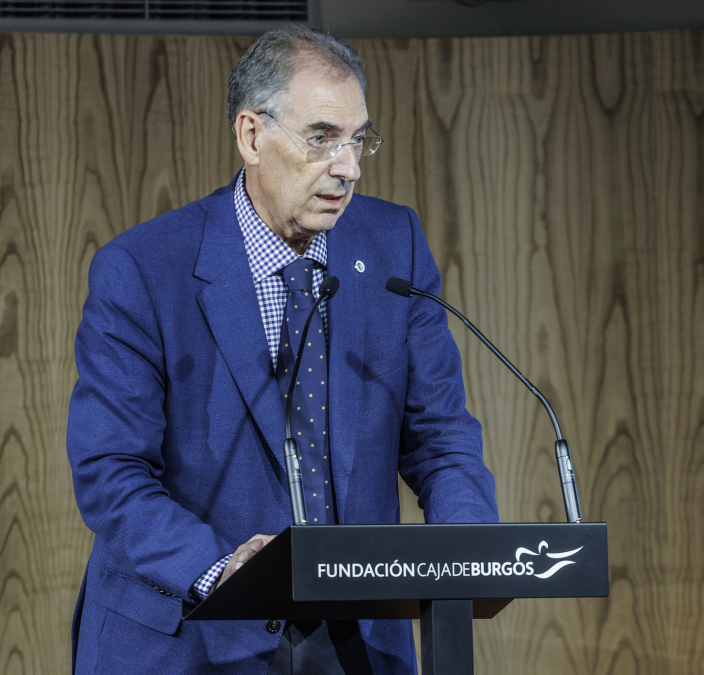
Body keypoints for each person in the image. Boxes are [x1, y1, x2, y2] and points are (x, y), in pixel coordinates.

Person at [66, 24, 497, 674]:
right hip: (191, 636)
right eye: (322, 138)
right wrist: (222, 567)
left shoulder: (392, 246)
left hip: (356, 640)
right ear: (252, 136)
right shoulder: (144, 269)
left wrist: (464, 552)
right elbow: (111, 470)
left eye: (358, 140)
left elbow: (440, 436)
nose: (348, 167)